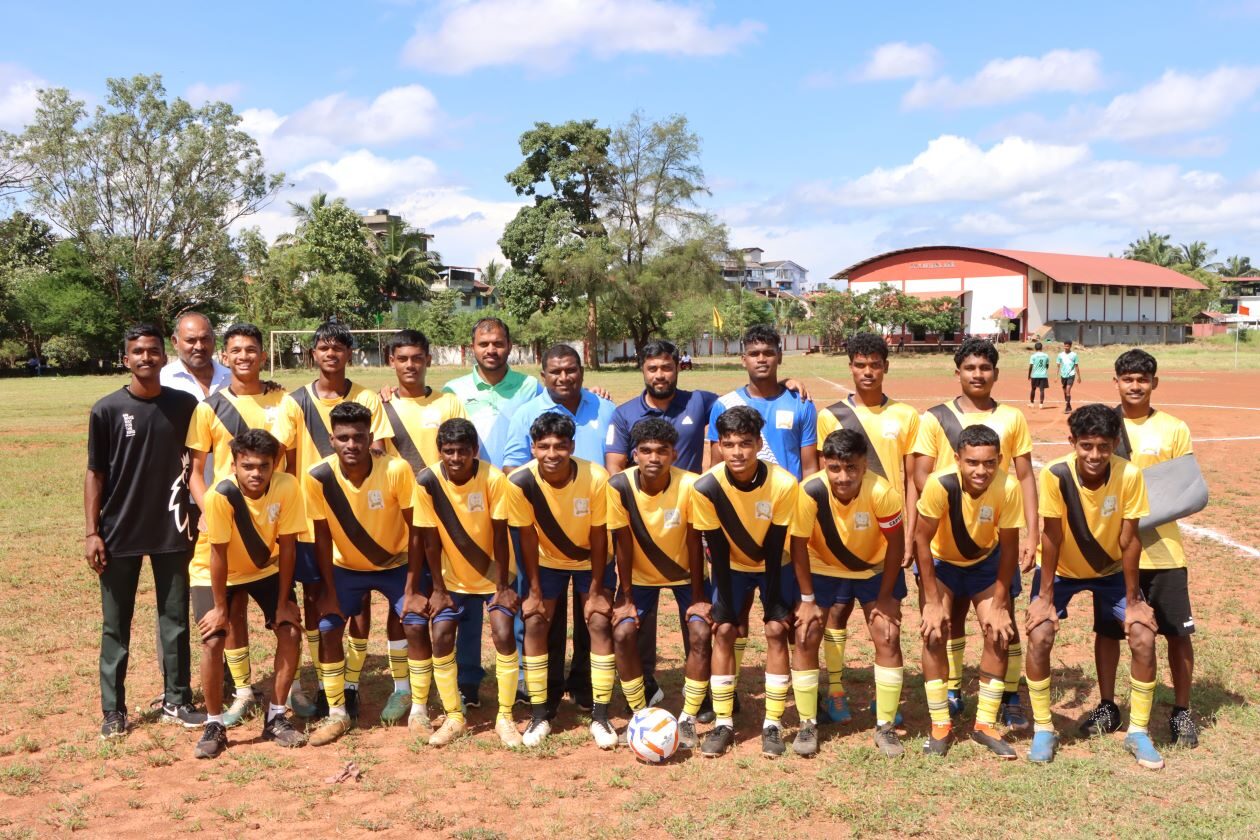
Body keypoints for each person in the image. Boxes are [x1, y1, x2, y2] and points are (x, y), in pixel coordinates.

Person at [1026, 403, 1162, 769]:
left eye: (1103, 446)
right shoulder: (1055, 474)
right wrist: (1045, 597)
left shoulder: (1129, 474)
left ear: (1115, 443)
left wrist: (1134, 600)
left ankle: (1138, 732)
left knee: (1143, 635)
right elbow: (1051, 536)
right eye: (1086, 445)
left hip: (1111, 571)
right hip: (1062, 570)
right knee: (1039, 633)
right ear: (1072, 441)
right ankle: (1043, 728)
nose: (1095, 455)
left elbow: (1130, 539)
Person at [912, 337, 1038, 729]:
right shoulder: (935, 418)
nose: (978, 374)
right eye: (970, 368)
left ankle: (1010, 694)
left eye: (985, 368)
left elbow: (1025, 476)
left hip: (992, 533)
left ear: (996, 373)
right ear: (958, 372)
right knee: (944, 619)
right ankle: (951, 690)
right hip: (944, 536)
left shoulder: (1012, 418)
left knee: (1002, 618)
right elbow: (921, 473)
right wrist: (954, 502)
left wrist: (1032, 533)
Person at [86, 323, 203, 738]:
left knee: (175, 619)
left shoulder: (185, 405)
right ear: (126, 359)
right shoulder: (107, 409)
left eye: (153, 351)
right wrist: (92, 532)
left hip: (173, 526)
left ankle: (177, 699)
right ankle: (113, 710)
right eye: (137, 352)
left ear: (163, 357)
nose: (146, 358)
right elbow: (95, 474)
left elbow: (200, 461)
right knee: (116, 624)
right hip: (119, 531)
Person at [273, 321, 387, 719]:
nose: (331, 353)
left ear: (349, 353)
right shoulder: (295, 402)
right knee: (315, 600)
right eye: (323, 347)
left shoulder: (367, 397)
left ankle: (350, 683)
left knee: (359, 603)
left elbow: (378, 451)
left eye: (338, 347)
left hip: (359, 519)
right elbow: (284, 460)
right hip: (310, 518)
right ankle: (325, 682)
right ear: (313, 354)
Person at [1085, 350, 1198, 747]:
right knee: (1107, 632)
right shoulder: (1104, 427)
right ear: (1115, 381)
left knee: (1177, 633)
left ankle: (1182, 711)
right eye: (1127, 378)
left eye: (1142, 379)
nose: (1135, 386)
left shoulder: (1173, 428)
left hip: (1164, 551)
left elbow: (1187, 490)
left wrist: (1136, 514)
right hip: (1113, 554)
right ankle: (1108, 705)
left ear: (1154, 383)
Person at [705, 326, 816, 716]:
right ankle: (728, 690)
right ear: (743, 359)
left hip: (784, 527)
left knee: (783, 621)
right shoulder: (724, 404)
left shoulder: (800, 402)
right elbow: (714, 469)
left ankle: (798, 692)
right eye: (754, 353)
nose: (762, 359)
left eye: (768, 352)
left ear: (780, 356)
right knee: (731, 620)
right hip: (737, 531)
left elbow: (810, 468)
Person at [186, 322, 292, 726]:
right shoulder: (208, 408)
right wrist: (206, 511)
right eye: (236, 350)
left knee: (285, 618)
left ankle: (290, 690)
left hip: (270, 523)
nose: (244, 356)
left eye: (251, 350)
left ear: (263, 355)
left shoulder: (284, 400)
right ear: (224, 357)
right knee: (230, 614)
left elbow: (292, 457)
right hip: (227, 521)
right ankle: (243, 690)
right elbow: (196, 472)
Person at [360, 330, 468, 722]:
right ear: (391, 361)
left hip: (447, 519)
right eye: (402, 358)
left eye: (417, 358)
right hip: (402, 520)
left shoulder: (448, 401)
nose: (410, 365)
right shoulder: (380, 403)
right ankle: (405, 690)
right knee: (405, 609)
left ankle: (451, 687)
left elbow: (460, 449)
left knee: (446, 606)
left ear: (428, 360)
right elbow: (375, 456)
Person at [503, 344, 616, 714]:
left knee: (593, 618)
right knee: (541, 617)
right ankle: (546, 690)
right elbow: (514, 469)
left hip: (593, 528)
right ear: (543, 376)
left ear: (582, 371)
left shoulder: (605, 408)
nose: (564, 377)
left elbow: (616, 463)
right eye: (555, 371)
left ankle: (585, 687)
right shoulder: (526, 414)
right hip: (547, 536)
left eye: (571, 370)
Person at [814, 332, 919, 724]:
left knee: (886, 622)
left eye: (875, 364)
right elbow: (827, 478)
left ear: (886, 367)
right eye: (860, 365)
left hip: (886, 536)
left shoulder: (906, 415)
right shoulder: (830, 416)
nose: (868, 372)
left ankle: (884, 701)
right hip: (842, 537)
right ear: (851, 368)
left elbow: (912, 480)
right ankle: (836, 692)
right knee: (835, 616)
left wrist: (909, 534)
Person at [303, 403, 420, 746]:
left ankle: (409, 698)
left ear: (371, 438)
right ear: (331, 440)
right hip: (346, 568)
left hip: (396, 563)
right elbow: (322, 537)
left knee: (412, 621)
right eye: (343, 438)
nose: (351, 444)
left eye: (358, 437)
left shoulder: (396, 469)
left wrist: (412, 586)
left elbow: (417, 530)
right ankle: (337, 712)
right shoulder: (317, 476)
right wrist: (327, 590)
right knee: (328, 627)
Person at [442, 318, 543, 707]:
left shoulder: (530, 386)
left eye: (498, 343)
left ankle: (521, 677)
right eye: (483, 343)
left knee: (513, 589)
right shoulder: (454, 390)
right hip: (468, 505)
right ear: (472, 347)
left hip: (516, 502)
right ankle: (468, 680)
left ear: (509, 346)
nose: (491, 350)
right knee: (468, 596)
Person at [790, 429, 907, 758]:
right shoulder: (809, 491)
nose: (843, 477)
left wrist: (886, 598)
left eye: (851, 468)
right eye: (835, 468)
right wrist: (807, 600)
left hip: (873, 568)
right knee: (805, 633)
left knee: (887, 633)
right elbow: (798, 545)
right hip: (822, 566)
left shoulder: (882, 492)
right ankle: (807, 723)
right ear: (824, 465)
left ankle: (885, 726)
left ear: (864, 464)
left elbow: (896, 544)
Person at [691, 406, 800, 758]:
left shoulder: (784, 483)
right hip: (731, 567)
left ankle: (773, 724)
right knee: (723, 631)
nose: (737, 452)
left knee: (776, 630)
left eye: (745, 443)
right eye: (729, 444)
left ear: (758, 444)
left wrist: (776, 607)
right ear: (719, 445)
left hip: (775, 564)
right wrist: (724, 609)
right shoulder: (706, 487)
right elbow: (716, 547)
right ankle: (723, 722)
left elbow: (775, 545)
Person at [191, 430, 307, 758]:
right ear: (234, 466)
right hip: (215, 572)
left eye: (264, 466)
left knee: (290, 631)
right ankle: (215, 724)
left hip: (264, 569)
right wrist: (219, 608)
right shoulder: (220, 495)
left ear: (274, 465)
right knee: (213, 639)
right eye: (248, 466)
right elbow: (217, 554)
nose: (256, 473)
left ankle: (276, 717)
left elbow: (288, 547)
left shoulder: (287, 486)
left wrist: (283, 603)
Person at [410, 418, 523, 747]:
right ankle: (454, 716)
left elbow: (500, 534)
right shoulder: (427, 480)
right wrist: (438, 590)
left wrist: (502, 587)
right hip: (452, 578)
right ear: (439, 451)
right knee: (441, 635)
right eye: (449, 451)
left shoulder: (493, 478)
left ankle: (505, 717)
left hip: (495, 575)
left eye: (463, 451)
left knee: (503, 632)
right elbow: (429, 538)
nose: (456, 458)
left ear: (474, 450)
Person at [914, 425, 1023, 759]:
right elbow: (921, 539)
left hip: (985, 565)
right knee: (934, 632)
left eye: (989, 463)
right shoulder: (939, 484)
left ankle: (984, 725)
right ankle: (940, 725)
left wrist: (1001, 603)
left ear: (999, 460)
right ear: (958, 459)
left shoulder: (1008, 487)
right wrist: (932, 601)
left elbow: (1009, 548)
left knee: (999, 632)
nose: (981, 470)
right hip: (942, 564)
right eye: (972, 462)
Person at [607, 419, 712, 748]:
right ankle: (639, 712)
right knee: (622, 632)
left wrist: (698, 597)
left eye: (662, 451)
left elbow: (695, 542)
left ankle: (691, 714)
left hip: (686, 575)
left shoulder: (691, 485)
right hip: (639, 578)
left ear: (674, 455)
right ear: (634, 454)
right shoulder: (618, 486)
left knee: (701, 632)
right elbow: (622, 543)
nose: (654, 458)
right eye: (646, 450)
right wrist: (625, 599)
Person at [1056, 340, 1081, 415]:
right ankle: (1068, 405)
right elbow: (1058, 366)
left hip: (1071, 374)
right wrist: (1056, 376)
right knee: (1065, 391)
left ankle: (1067, 407)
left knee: (1067, 390)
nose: (1066, 347)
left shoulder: (1074, 355)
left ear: (1070, 346)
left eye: (1067, 346)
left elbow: (1076, 366)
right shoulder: (1060, 355)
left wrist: (1079, 376)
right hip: (1063, 375)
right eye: (1065, 346)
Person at [1027, 341, 1050, 410]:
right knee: (1042, 390)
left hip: (1035, 375)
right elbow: (1047, 365)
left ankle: (1032, 403)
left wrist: (1029, 375)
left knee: (1033, 389)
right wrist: (1044, 370)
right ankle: (1041, 404)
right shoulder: (1046, 355)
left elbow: (1031, 366)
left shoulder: (1033, 356)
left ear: (1035, 348)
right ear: (1041, 348)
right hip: (1043, 375)